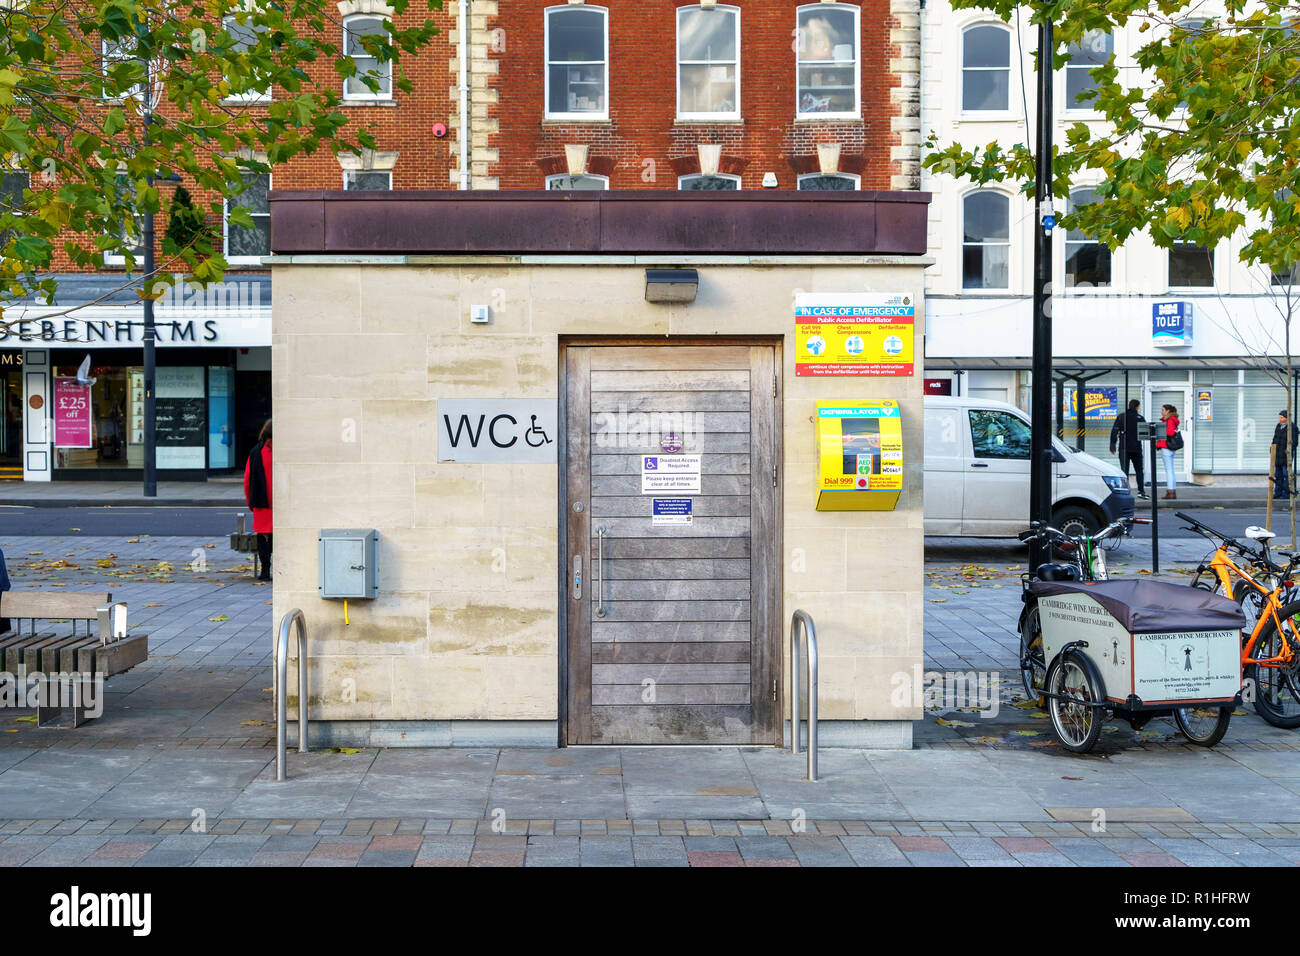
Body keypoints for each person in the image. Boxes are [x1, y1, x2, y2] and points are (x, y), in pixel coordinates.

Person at [243, 419, 273, 581]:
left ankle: (265, 570)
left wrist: (250, 502)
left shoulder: (256, 451)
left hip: (262, 502)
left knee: (263, 537)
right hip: (281, 502)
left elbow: (247, 480)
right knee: (279, 536)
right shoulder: (285, 452)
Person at [1109, 399, 1147, 499]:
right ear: (1137, 407)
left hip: (1124, 448)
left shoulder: (1122, 417)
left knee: (1124, 471)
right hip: (1136, 448)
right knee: (1139, 470)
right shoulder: (1140, 418)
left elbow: (1114, 430)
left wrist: (1112, 445)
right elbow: (1145, 433)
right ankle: (1141, 491)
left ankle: (1125, 491)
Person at [1273, 410, 1299, 499]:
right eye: (1279, 417)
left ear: (1287, 418)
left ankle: (1286, 494)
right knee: (1278, 475)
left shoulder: (1292, 428)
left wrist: (1288, 451)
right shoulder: (1278, 426)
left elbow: (1294, 442)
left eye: (1282, 417)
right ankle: (1277, 493)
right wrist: (1272, 449)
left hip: (1286, 456)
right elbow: (1275, 439)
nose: (1280, 419)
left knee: (1286, 475)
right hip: (1277, 456)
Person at [1158, 404, 1180, 500]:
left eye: (1163, 410)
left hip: (1166, 447)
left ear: (1167, 411)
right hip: (1170, 447)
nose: (1161, 411)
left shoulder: (1170, 420)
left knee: (1169, 471)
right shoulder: (1172, 419)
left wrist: (1161, 431)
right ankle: (1172, 491)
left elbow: (1170, 432)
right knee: (1170, 470)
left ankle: (1171, 492)